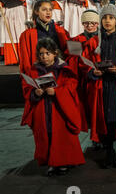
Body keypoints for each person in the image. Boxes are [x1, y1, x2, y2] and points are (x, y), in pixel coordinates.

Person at [82, 3, 116, 169]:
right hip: (102, 86)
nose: (107, 21)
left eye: (111, 18)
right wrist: (93, 72)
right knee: (105, 118)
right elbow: (85, 63)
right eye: (104, 17)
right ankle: (109, 150)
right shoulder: (94, 42)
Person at [21, 38, 85, 176]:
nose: (44, 57)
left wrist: (57, 92)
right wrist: (35, 92)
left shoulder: (64, 69)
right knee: (47, 135)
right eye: (41, 54)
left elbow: (71, 86)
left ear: (55, 53)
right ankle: (51, 163)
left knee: (62, 136)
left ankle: (63, 162)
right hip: (43, 109)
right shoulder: (34, 70)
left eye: (47, 53)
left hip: (59, 108)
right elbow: (27, 88)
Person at [19, 0, 69, 74]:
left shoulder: (61, 31)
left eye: (50, 10)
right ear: (36, 12)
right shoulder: (27, 34)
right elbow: (25, 60)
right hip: (38, 73)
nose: (48, 12)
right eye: (44, 10)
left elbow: (67, 54)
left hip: (59, 72)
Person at [0, 0, 34, 65]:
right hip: (8, 13)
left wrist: (24, 0)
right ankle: (12, 59)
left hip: (20, 13)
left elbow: (31, 2)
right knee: (9, 34)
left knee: (20, 33)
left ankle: (22, 58)